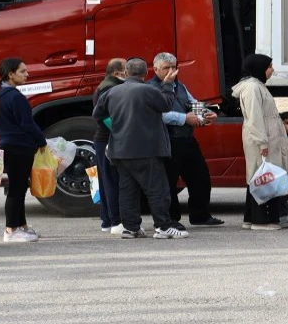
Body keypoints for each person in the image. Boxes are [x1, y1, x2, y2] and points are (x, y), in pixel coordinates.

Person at [93, 58, 187, 239]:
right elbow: (166, 104)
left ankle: (131, 227)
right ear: (146, 73)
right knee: (157, 189)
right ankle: (163, 226)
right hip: (147, 148)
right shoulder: (149, 90)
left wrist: (119, 123)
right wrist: (167, 84)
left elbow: (97, 113)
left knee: (127, 190)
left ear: (126, 73)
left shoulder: (112, 92)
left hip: (120, 148)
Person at [150, 53, 222, 228]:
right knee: (169, 181)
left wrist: (205, 114)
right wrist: (184, 118)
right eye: (166, 68)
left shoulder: (179, 85)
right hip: (167, 140)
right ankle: (171, 219)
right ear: (156, 69)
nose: (171, 71)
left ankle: (200, 215)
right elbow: (158, 115)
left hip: (187, 139)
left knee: (201, 177)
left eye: (174, 67)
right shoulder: (150, 89)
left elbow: (193, 103)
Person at [0, 57, 46, 243]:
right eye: (22, 71)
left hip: (8, 145)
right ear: (10, 74)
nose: (27, 74)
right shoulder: (15, 96)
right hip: (19, 147)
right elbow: (27, 124)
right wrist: (42, 141)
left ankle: (21, 226)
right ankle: (11, 229)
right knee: (16, 189)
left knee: (19, 187)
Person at [231, 54, 288, 231]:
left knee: (259, 177)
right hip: (262, 140)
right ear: (259, 68)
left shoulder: (257, 86)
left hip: (266, 138)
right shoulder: (252, 89)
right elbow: (255, 118)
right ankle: (262, 220)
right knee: (264, 178)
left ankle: (251, 218)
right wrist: (262, 143)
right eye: (270, 66)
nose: (272, 69)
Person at [93, 58, 126, 233]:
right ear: (117, 73)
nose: (128, 74)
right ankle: (116, 221)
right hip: (109, 139)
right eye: (125, 70)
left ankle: (107, 220)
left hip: (102, 139)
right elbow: (102, 115)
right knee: (113, 181)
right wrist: (120, 131)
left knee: (106, 180)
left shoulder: (104, 86)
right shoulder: (110, 88)